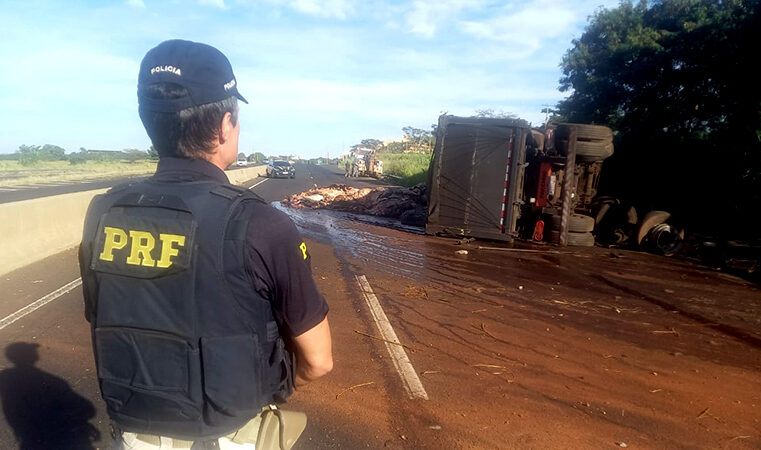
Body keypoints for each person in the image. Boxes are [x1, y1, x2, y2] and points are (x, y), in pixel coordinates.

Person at [78, 39, 333, 449]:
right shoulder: (262, 224)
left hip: (136, 433)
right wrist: (270, 390)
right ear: (224, 125)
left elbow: (101, 314)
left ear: (148, 120)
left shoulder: (102, 211)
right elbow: (319, 360)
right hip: (231, 432)